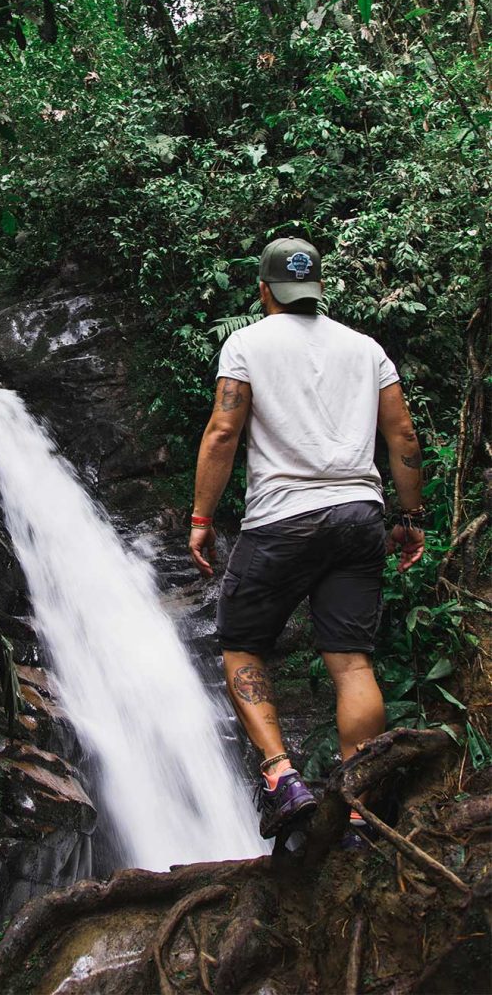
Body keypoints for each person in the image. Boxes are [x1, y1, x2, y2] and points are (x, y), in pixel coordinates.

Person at [188, 237, 425, 842]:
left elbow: (222, 433)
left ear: (263, 290)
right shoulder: (366, 349)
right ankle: (357, 807)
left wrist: (201, 518)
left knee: (241, 644)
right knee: (350, 661)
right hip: (357, 516)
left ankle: (281, 777)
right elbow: (402, 436)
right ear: (316, 289)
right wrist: (411, 517)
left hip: (283, 520)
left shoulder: (246, 343)